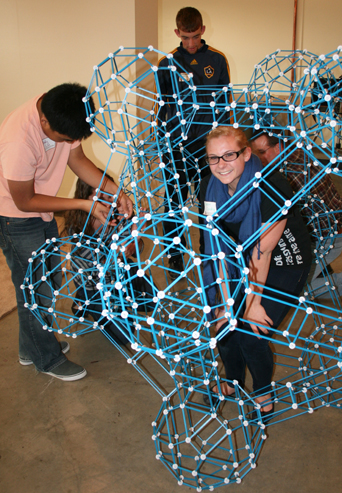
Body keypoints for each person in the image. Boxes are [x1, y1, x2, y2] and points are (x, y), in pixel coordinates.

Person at [0, 83, 133, 381]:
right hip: (15, 216)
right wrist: (85, 203)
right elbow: (24, 200)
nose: (69, 143)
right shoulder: (19, 139)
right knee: (35, 287)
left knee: (48, 278)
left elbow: (78, 161)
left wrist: (115, 191)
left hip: (39, 209)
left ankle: (32, 346)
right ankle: (46, 359)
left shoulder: (64, 111)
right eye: (65, 139)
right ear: (45, 122)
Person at [200, 127, 312, 422]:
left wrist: (252, 303)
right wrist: (225, 299)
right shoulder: (208, 187)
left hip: (285, 263)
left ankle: (263, 394)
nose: (221, 164)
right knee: (222, 322)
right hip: (237, 258)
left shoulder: (272, 187)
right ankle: (232, 382)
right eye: (214, 158)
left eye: (229, 155)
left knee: (250, 332)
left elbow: (262, 254)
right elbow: (215, 247)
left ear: (246, 153)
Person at [250, 132, 342, 299]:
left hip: (328, 238)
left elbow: (291, 226)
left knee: (294, 288)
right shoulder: (297, 153)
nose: (258, 158)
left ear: (279, 147)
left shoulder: (289, 175)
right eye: (255, 152)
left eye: (262, 152)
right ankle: (320, 268)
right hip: (326, 228)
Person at [157, 6, 231, 276]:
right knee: (174, 199)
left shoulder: (218, 60)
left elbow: (225, 107)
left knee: (208, 199)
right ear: (177, 33)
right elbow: (162, 107)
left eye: (194, 37)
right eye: (184, 37)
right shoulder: (167, 62)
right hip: (175, 144)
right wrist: (161, 143)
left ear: (202, 30)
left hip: (207, 147)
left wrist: (226, 147)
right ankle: (175, 253)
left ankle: (208, 250)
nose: (189, 43)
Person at [63, 174, 152, 346]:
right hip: (95, 283)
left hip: (120, 272)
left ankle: (112, 301)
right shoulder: (78, 227)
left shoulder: (118, 214)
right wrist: (126, 246)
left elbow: (136, 251)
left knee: (152, 300)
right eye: (99, 197)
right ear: (85, 197)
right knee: (123, 336)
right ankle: (83, 299)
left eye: (109, 195)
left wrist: (136, 236)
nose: (107, 202)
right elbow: (100, 267)